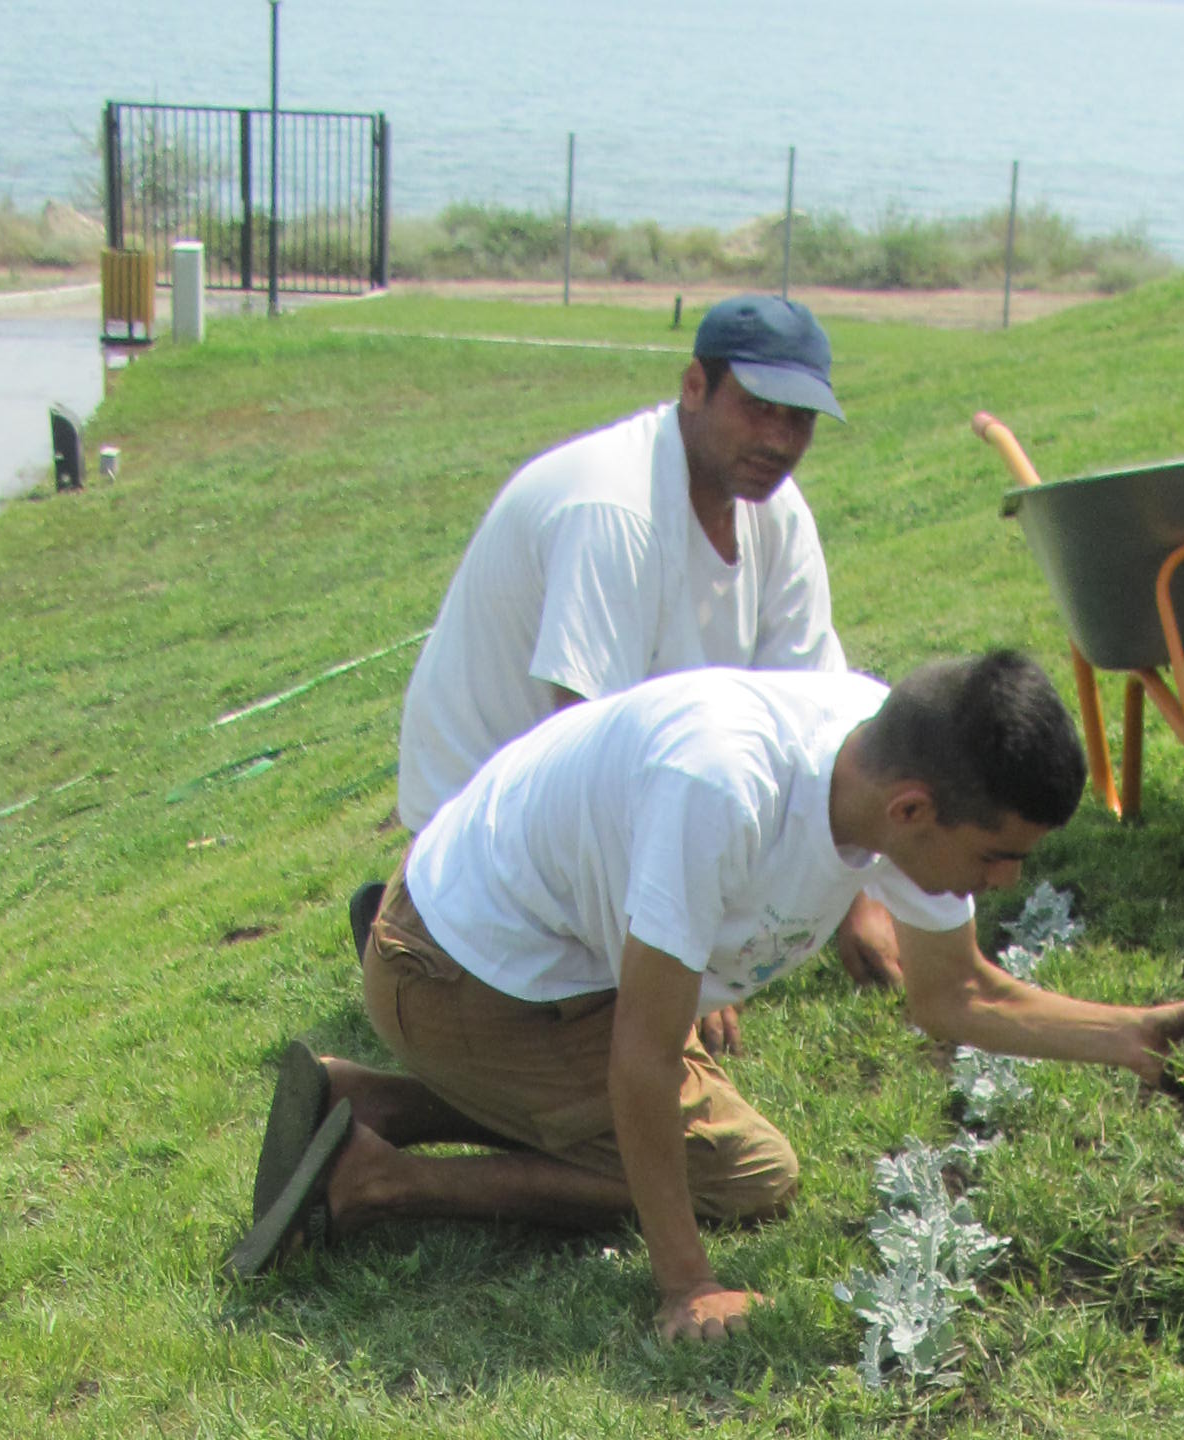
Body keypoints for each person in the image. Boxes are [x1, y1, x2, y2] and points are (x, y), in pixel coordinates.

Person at [234, 651, 1184, 1343]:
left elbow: (957, 993)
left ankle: (376, 1099)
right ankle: (374, 1180)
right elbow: (643, 1055)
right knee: (743, 1178)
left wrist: (1135, 1037)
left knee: (704, 1144)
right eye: (997, 857)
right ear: (913, 810)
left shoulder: (891, 758)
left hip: (544, 967)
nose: (1001, 882)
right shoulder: (721, 790)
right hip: (455, 973)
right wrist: (687, 1285)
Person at [369, 295, 900, 999]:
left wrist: (859, 901)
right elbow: (590, 763)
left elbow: (820, 725)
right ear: (694, 387)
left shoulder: (778, 511)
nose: (778, 439)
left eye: (799, 418)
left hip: (632, 782)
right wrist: (674, 970)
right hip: (486, 828)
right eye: (757, 407)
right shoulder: (613, 511)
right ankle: (414, 922)